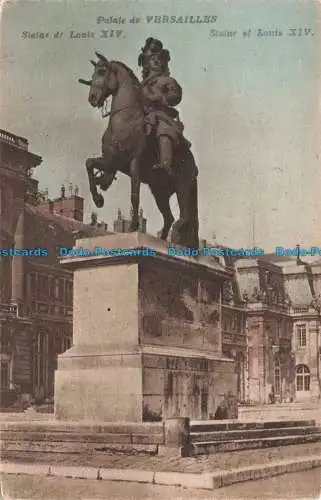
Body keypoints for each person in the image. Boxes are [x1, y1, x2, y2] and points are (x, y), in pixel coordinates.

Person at [138, 37, 190, 176]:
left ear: (163, 63)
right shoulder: (140, 85)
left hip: (162, 115)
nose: (155, 61)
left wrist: (160, 98)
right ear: (146, 64)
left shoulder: (168, 80)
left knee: (163, 129)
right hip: (143, 116)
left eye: (158, 59)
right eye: (151, 59)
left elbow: (175, 96)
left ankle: (165, 165)